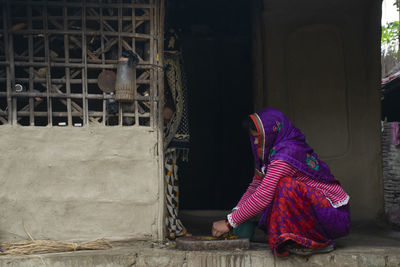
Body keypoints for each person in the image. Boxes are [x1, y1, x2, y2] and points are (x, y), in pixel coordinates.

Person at [211, 108, 350, 257]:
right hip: (315, 210)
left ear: (271, 134)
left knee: (285, 186)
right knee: (277, 188)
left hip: (332, 215)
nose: (256, 142)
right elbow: (255, 186)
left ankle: (318, 242)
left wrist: (228, 223)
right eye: (254, 138)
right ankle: (297, 237)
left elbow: (263, 196)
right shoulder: (273, 151)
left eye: (258, 137)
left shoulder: (285, 155)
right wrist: (235, 212)